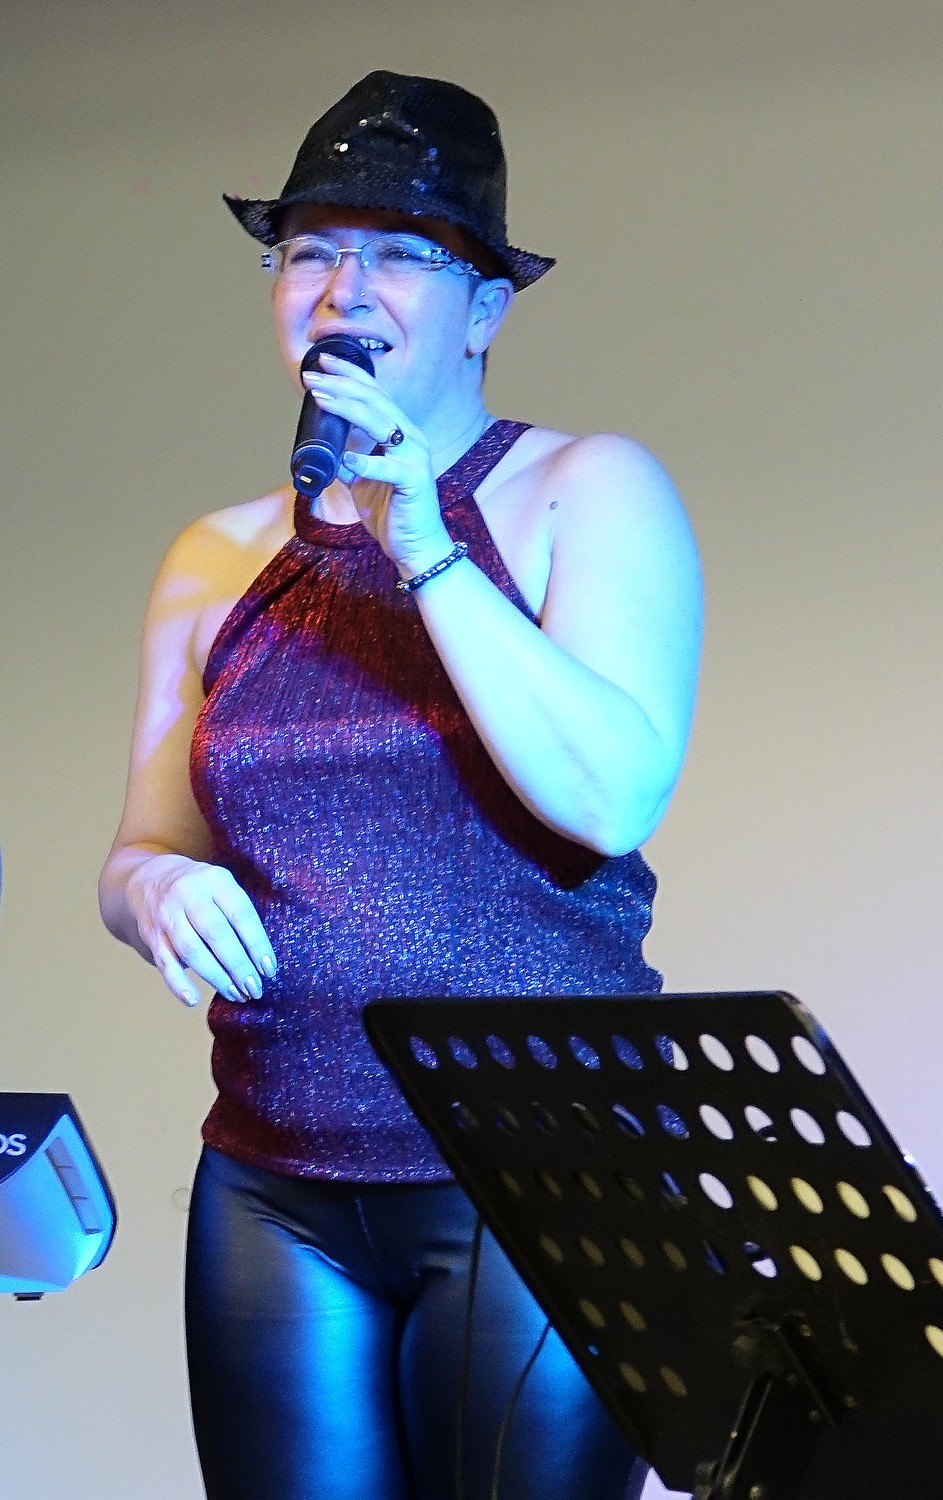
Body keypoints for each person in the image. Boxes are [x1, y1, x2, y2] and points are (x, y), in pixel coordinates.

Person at [99, 70, 702, 1500]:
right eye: (308, 250)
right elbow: (138, 850)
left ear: (484, 309)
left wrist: (423, 541)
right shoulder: (215, 552)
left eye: (398, 253)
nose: (342, 285)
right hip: (275, 1180)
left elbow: (612, 798)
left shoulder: (585, 487)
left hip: (546, 1172)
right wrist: (156, 887)